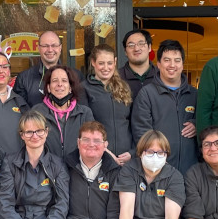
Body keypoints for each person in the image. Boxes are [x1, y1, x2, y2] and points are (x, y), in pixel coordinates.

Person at [131, 39, 198, 174]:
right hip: (158, 171)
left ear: (183, 64)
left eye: (177, 60)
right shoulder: (147, 94)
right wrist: (157, 160)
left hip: (191, 171)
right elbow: (141, 132)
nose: (172, 65)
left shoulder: (194, 94)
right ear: (159, 64)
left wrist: (197, 124)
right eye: (167, 60)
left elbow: (208, 125)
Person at [85, 43, 133, 165]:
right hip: (99, 158)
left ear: (115, 62)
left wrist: (132, 152)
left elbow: (134, 123)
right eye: (101, 63)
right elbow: (86, 127)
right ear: (93, 62)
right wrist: (106, 153)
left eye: (110, 63)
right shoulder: (84, 89)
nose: (106, 67)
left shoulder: (124, 87)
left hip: (127, 160)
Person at [13, 30, 84, 108]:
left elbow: (80, 108)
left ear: (60, 48)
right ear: (39, 48)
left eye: (54, 45)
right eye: (45, 46)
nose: (50, 50)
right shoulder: (24, 78)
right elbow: (21, 111)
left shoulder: (76, 76)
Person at [40, 64, 95, 159]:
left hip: (76, 170)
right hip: (48, 170)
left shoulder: (84, 113)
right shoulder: (37, 113)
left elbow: (92, 143)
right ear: (48, 87)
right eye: (54, 81)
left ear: (70, 87)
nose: (60, 84)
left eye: (64, 81)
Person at [120, 29, 158, 100]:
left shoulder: (161, 76)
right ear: (125, 51)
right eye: (131, 45)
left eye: (141, 44)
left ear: (149, 47)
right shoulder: (116, 78)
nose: (136, 49)